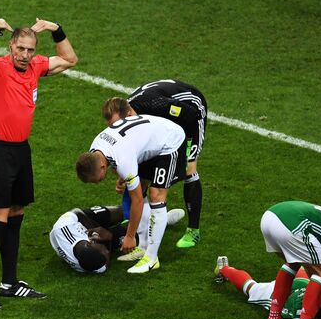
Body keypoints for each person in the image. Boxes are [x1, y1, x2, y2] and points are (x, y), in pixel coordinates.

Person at [0, 18, 78, 308]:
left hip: (21, 151)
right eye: (20, 49)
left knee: (16, 213)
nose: (25, 55)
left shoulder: (36, 66)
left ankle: (9, 282)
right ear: (10, 46)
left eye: (30, 50)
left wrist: (56, 29)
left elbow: (69, 59)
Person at [76, 99, 187, 274]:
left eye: (95, 179)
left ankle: (151, 258)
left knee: (156, 195)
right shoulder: (95, 148)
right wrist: (123, 177)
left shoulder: (123, 159)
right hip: (147, 142)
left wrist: (129, 236)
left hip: (170, 142)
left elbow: (136, 201)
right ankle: (142, 247)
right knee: (138, 188)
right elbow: (116, 160)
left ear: (102, 167)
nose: (96, 183)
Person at [110, 79, 207, 249]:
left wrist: (187, 152)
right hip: (165, 122)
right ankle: (146, 221)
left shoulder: (155, 105)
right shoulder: (127, 117)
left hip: (190, 111)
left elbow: (190, 116)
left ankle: (193, 231)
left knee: (189, 170)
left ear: (131, 115)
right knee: (143, 171)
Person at [49, 205, 185, 273]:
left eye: (104, 250)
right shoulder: (90, 265)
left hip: (83, 220)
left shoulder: (62, 228)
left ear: (90, 243)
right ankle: (162, 221)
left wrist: (97, 228)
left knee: (121, 212)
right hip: (92, 237)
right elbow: (105, 265)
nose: (108, 253)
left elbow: (76, 212)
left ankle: (135, 211)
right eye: (106, 254)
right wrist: (108, 239)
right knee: (129, 237)